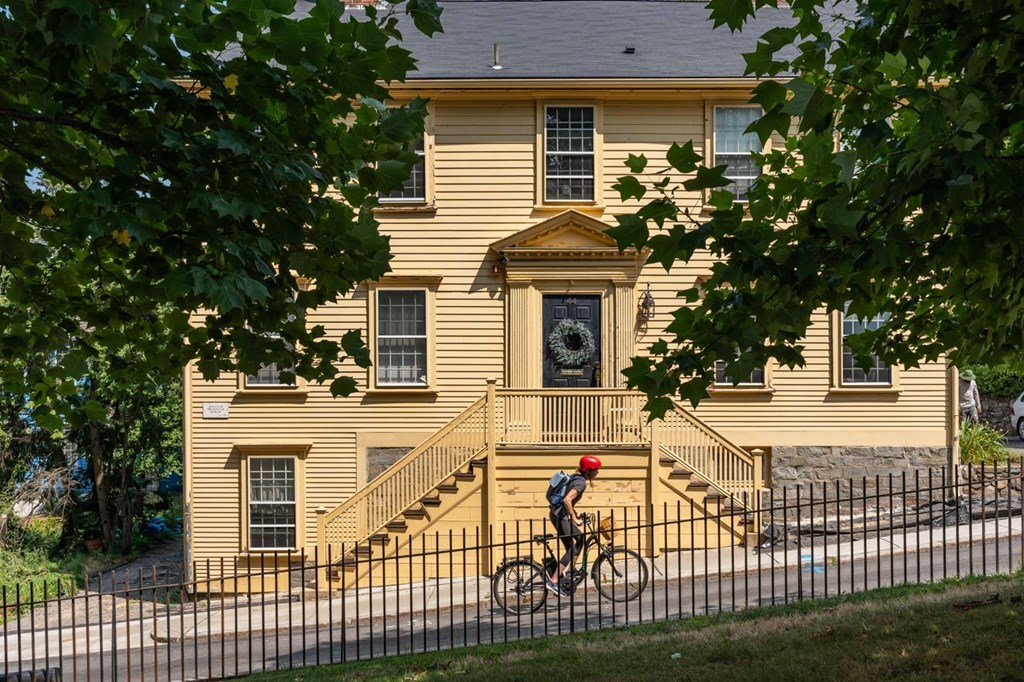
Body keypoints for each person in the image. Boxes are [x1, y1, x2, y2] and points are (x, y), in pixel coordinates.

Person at [546, 455, 601, 596]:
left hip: (557, 514)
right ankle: (553, 581)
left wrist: (576, 514)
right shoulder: (581, 483)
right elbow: (567, 500)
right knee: (579, 541)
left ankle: (570, 571)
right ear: (588, 470)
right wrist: (574, 518)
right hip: (561, 516)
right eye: (595, 470)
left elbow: (567, 502)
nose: (597, 472)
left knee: (573, 545)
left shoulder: (575, 477)